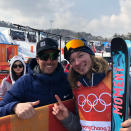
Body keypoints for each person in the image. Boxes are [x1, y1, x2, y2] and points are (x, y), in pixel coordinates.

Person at [0, 37, 73, 119]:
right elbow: (1, 108)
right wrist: (14, 107)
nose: (49, 61)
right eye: (44, 57)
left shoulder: (69, 79)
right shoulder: (24, 82)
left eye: (54, 56)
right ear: (37, 59)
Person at [52, 39, 111, 131]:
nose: (77, 63)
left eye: (80, 55)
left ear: (90, 54)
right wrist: (67, 117)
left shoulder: (116, 78)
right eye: (72, 60)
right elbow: (80, 127)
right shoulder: (76, 85)